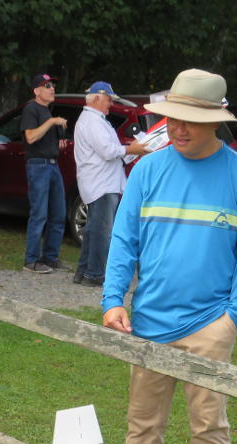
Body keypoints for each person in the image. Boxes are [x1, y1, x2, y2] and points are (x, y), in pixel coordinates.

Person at [89, 69, 237, 444]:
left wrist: (232, 319)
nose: (179, 128)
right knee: (141, 422)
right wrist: (113, 300)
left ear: (217, 122)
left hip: (211, 324)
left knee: (209, 426)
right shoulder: (148, 169)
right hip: (147, 321)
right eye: (172, 118)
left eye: (190, 120)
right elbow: (124, 241)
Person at [73, 81, 149, 287]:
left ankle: (84, 271)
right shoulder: (93, 121)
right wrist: (130, 149)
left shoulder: (94, 120)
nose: (110, 104)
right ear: (97, 97)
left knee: (93, 229)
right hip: (102, 184)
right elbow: (107, 151)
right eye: (108, 99)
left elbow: (109, 151)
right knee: (102, 231)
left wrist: (129, 151)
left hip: (101, 182)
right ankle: (95, 274)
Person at [20, 72, 68, 274]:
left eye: (52, 85)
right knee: (39, 214)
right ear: (36, 91)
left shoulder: (47, 112)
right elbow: (30, 137)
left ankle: (50, 257)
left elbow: (45, 140)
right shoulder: (31, 109)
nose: (52, 89)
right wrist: (52, 122)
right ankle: (31, 261)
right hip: (38, 166)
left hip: (52, 164)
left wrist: (59, 145)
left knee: (58, 213)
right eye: (47, 86)